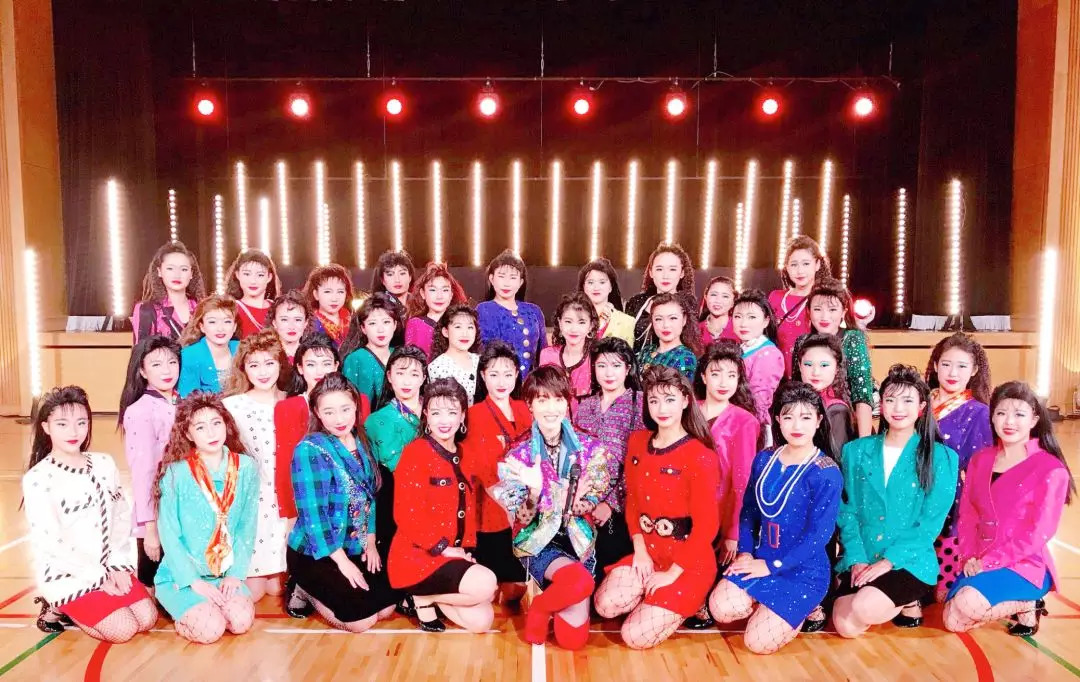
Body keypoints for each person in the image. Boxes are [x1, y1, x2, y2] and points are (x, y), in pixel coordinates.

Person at [708, 382, 842, 654]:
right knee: (720, 607)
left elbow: (818, 537)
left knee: (757, 644)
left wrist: (771, 566)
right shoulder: (764, 459)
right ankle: (765, 606)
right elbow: (748, 512)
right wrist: (746, 553)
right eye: (789, 416)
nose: (797, 425)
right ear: (778, 419)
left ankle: (799, 610)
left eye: (806, 417)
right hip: (760, 559)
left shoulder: (826, 472)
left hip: (802, 571)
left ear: (818, 420)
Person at [593, 366, 720, 649]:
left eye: (670, 399)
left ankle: (693, 600)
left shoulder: (700, 455)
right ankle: (649, 598)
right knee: (605, 605)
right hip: (648, 551)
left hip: (687, 562)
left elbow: (707, 526)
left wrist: (672, 574)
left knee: (634, 637)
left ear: (685, 400)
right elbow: (633, 504)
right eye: (654, 400)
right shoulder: (638, 442)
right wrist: (639, 550)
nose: (661, 409)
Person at [491, 366, 614, 650]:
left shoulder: (590, 447)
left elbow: (593, 497)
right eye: (542, 399)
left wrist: (578, 501)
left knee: (572, 641)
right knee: (580, 582)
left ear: (567, 402)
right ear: (530, 404)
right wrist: (534, 493)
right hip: (538, 542)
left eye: (558, 399)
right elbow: (521, 519)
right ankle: (544, 605)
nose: (551, 408)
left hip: (578, 540)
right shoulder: (517, 453)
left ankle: (550, 600)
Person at [832, 365, 959, 637]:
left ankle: (909, 598)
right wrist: (857, 559)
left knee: (864, 608)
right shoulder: (855, 451)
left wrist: (888, 562)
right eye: (890, 399)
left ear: (922, 406)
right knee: (846, 627)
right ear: (881, 404)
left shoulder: (942, 458)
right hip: (865, 555)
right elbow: (847, 511)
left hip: (908, 560)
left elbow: (929, 524)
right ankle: (880, 596)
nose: (898, 408)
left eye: (907, 400)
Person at [24, 386, 158, 641]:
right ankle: (57, 605)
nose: (73, 432)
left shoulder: (103, 463)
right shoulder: (38, 478)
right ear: (46, 428)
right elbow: (50, 543)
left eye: (81, 422)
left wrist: (117, 565)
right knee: (124, 629)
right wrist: (96, 577)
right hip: (69, 573)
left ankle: (87, 602)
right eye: (62, 424)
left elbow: (120, 518)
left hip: (108, 566)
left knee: (147, 618)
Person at [943, 381, 1074, 636]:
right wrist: (969, 556)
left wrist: (989, 562)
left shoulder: (1050, 469)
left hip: (1023, 563)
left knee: (966, 605)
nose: (1009, 422)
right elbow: (968, 514)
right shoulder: (980, 460)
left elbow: (1038, 533)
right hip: (978, 558)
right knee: (951, 621)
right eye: (1001, 413)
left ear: (1034, 420)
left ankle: (1028, 602)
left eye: (1019, 414)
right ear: (992, 417)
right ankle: (1001, 601)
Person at [287, 373, 400, 632]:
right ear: (317, 412)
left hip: (353, 545)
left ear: (356, 406)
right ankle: (303, 588)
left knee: (386, 609)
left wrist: (370, 542)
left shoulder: (362, 441)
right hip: (316, 551)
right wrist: (343, 563)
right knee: (362, 622)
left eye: (345, 409)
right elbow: (313, 518)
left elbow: (370, 495)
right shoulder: (310, 449)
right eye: (329, 412)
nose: (339, 419)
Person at [390, 379, 499, 632]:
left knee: (482, 621)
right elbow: (405, 515)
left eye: (452, 412)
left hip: (453, 557)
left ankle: (425, 599)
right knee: (486, 583)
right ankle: (420, 597)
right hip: (417, 557)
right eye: (436, 412)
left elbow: (496, 485)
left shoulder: (467, 453)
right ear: (426, 415)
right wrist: (445, 550)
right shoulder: (415, 452)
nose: (444, 420)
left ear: (462, 416)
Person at [154, 392, 259, 644]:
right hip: (184, 575)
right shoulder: (176, 473)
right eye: (200, 427)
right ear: (188, 434)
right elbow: (169, 533)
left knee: (240, 622)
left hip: (225, 573)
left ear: (226, 424)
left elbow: (247, 525)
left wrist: (235, 574)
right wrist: (193, 581)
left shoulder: (246, 467)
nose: (211, 433)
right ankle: (185, 612)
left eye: (216, 423)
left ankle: (209, 607)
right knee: (210, 629)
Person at [222, 329, 292, 602]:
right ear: (243, 369)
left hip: (287, 498)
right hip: (251, 498)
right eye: (254, 365)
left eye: (269, 363)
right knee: (254, 592)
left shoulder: (293, 401)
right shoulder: (231, 406)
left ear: (280, 364)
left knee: (279, 589)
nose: (262, 372)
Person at [925, 332, 995, 601]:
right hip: (910, 496)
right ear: (935, 365)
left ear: (974, 370)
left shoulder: (979, 412)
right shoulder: (918, 402)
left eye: (962, 366)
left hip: (951, 504)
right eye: (946, 364)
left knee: (941, 594)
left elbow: (981, 469)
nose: (952, 373)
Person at [462, 342, 532, 603]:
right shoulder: (474, 414)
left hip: (526, 509)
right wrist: (510, 505)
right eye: (493, 374)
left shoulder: (525, 409)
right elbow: (481, 468)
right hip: (492, 509)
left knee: (517, 590)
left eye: (507, 374)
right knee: (491, 592)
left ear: (516, 375)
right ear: (483, 375)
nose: (501, 382)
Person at [573, 337, 645, 584]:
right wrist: (584, 499)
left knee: (609, 576)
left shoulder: (639, 403)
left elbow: (638, 462)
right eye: (602, 365)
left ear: (628, 368)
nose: (609, 373)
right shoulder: (585, 406)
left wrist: (610, 504)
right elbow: (575, 456)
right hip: (583, 504)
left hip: (621, 507)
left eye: (616, 365)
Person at [118, 335, 181, 588]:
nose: (167, 370)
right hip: (157, 516)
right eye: (156, 364)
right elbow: (143, 474)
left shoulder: (182, 403)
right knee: (154, 592)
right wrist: (150, 530)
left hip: (182, 511)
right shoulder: (140, 411)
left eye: (172, 362)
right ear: (142, 371)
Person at [693, 341, 761, 565]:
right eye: (716, 374)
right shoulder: (688, 410)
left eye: (731, 375)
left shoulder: (745, 421)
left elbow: (742, 481)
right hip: (684, 509)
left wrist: (733, 532)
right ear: (704, 377)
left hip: (720, 514)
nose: (724, 383)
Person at [365, 346, 428, 568]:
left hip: (437, 501)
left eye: (414, 374)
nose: (407, 381)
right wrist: (370, 539)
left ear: (424, 377)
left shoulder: (437, 412)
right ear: (389, 376)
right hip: (395, 507)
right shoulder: (375, 422)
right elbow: (371, 483)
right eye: (400, 373)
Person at [804, 278, 874, 436]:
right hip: (809, 426)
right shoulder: (803, 342)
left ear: (843, 312)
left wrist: (863, 443)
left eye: (832, 310)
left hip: (844, 424)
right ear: (808, 311)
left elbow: (862, 395)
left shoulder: (852, 339)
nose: (824, 316)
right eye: (817, 309)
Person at [769, 236, 831, 377]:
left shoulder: (824, 300)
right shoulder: (775, 297)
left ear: (817, 264)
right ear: (786, 267)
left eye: (806, 264)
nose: (800, 271)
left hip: (811, 376)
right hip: (777, 376)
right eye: (794, 264)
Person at [477, 249, 547, 375]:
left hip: (532, 383)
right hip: (500, 381)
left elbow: (543, 353)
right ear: (491, 279)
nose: (507, 283)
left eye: (513, 277)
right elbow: (482, 353)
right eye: (501, 276)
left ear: (520, 282)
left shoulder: (534, 311)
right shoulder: (484, 309)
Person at [625, 243, 697, 352]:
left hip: (673, 361)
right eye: (659, 269)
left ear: (682, 273)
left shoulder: (688, 304)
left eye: (672, 269)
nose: (665, 276)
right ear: (651, 272)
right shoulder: (636, 302)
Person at [792, 333, 856, 457]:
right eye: (808, 364)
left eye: (824, 365)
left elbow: (836, 459)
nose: (815, 372)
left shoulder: (836, 409)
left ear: (837, 368)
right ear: (800, 366)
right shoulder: (795, 400)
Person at [732, 290, 784, 438]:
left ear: (766, 321)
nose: (743, 323)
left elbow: (759, 402)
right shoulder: (741, 348)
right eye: (738, 316)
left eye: (752, 317)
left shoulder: (768, 354)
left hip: (751, 426)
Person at [340, 292, 406, 408]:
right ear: (363, 328)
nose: (380, 330)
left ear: (395, 325)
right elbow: (347, 401)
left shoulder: (401, 356)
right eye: (372, 323)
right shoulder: (355, 359)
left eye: (386, 322)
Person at [132, 241, 205, 342]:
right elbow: (141, 349)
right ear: (159, 272)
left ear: (191, 274)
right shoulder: (146, 309)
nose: (177, 275)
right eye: (170, 268)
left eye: (184, 269)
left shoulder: (203, 308)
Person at [177, 295, 240, 397]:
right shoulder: (190, 355)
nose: (220, 328)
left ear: (234, 326)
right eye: (212, 322)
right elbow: (187, 399)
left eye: (227, 321)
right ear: (202, 326)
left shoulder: (241, 348)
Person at [540, 292, 599, 400]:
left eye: (581, 322)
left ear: (591, 325)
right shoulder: (547, 355)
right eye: (568, 321)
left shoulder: (597, 358)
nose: (574, 329)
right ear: (560, 323)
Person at [405, 262, 468, 359]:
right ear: (423, 293)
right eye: (433, 290)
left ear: (451, 294)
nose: (439, 296)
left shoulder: (461, 323)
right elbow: (410, 361)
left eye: (445, 290)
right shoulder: (415, 324)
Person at [636, 292, 701, 381]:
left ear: (684, 320)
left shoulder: (685, 358)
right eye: (658, 319)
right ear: (652, 321)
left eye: (673, 318)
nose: (665, 325)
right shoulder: (646, 352)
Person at [428, 303, 483, 405]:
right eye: (458, 327)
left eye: (470, 327)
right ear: (445, 332)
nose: (465, 333)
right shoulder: (438, 366)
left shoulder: (481, 361)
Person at [578, 258, 635, 345]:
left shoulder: (627, 322)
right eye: (590, 282)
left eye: (602, 282)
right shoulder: (572, 318)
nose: (596, 287)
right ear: (583, 287)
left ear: (611, 287)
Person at [225, 249, 281, 338]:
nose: (253, 281)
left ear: (269, 277)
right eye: (247, 274)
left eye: (260, 275)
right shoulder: (231, 309)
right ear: (237, 275)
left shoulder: (278, 308)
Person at [303, 264, 354, 348]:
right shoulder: (309, 323)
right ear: (316, 294)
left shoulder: (353, 322)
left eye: (340, 292)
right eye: (328, 292)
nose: (334, 298)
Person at [269, 290, 311, 364]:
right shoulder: (266, 355)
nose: (291, 326)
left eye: (298, 320)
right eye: (284, 319)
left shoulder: (312, 355)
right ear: (274, 323)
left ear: (305, 323)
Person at [698, 276, 739, 346]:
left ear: (733, 301)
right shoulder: (696, 330)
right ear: (706, 297)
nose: (718, 300)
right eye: (713, 294)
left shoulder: (739, 329)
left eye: (725, 296)